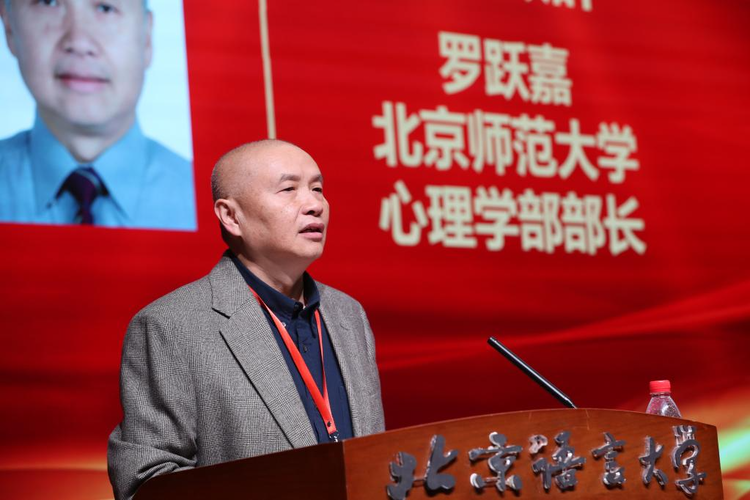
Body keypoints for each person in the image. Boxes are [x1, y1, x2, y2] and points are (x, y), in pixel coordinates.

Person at [107, 140, 385, 499]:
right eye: (289, 189)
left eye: (317, 189)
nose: (315, 204)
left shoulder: (349, 315)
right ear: (231, 216)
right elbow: (147, 482)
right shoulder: (171, 326)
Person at [0, 0, 195, 230]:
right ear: (9, 26)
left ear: (146, 36)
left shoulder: (207, 201)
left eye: (105, 7)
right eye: (49, 2)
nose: (79, 42)